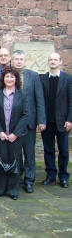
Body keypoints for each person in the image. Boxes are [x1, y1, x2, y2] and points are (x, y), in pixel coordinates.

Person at [12, 50, 46, 193]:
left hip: (30, 121)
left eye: (21, 59)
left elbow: (39, 99)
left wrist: (41, 120)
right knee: (16, 153)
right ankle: (18, 177)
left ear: (24, 61)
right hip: (13, 122)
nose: (19, 61)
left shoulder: (33, 76)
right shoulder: (8, 75)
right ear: (12, 61)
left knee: (29, 152)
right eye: (16, 59)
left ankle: (29, 179)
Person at [0, 67, 28, 200]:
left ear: (16, 79)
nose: (9, 79)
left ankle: (13, 189)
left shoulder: (22, 94)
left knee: (15, 161)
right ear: (3, 78)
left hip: (15, 135)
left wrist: (16, 133)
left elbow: (25, 115)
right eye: (7, 76)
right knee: (1, 161)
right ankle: (1, 188)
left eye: (12, 77)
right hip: (1, 134)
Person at [39, 53, 72, 188]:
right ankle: (50, 175)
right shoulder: (42, 79)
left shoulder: (67, 79)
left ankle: (63, 176)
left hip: (63, 122)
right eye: (50, 59)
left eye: (55, 60)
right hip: (47, 121)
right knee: (48, 150)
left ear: (60, 62)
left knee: (63, 150)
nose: (53, 62)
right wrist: (40, 120)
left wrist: (70, 120)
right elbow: (40, 102)